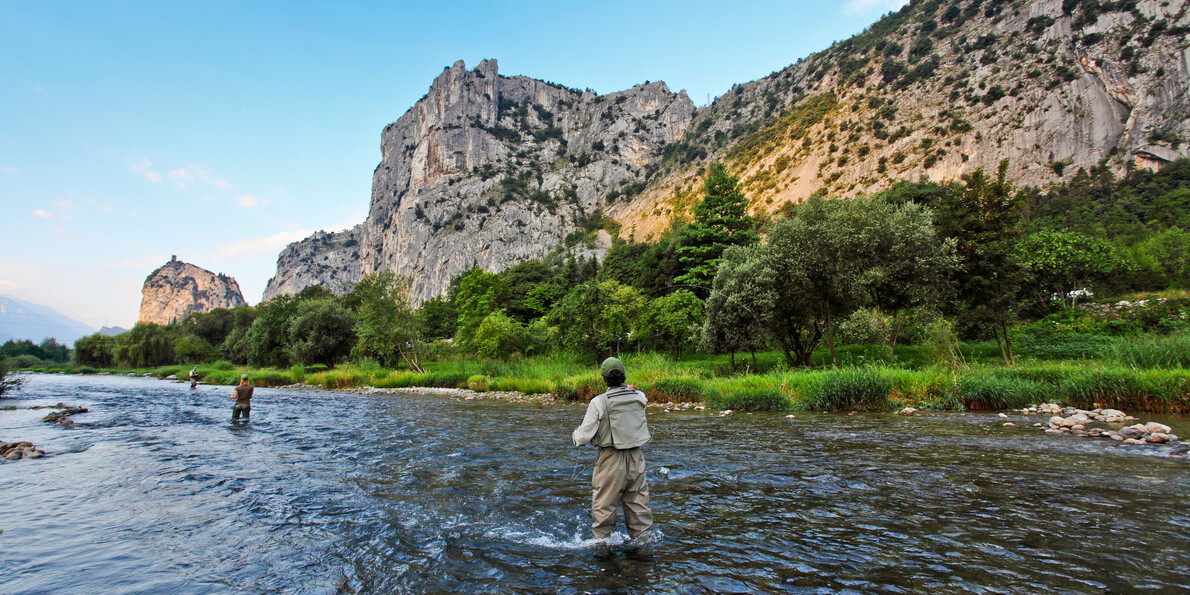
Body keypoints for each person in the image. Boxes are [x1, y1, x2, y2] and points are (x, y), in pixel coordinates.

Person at [572, 357, 654, 557]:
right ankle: (643, 558)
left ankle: (603, 560)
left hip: (610, 461)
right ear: (624, 376)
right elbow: (639, 398)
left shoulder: (598, 403)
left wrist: (575, 434)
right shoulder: (639, 396)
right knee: (639, 512)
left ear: (604, 380)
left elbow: (583, 438)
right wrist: (631, 389)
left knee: (604, 513)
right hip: (637, 460)